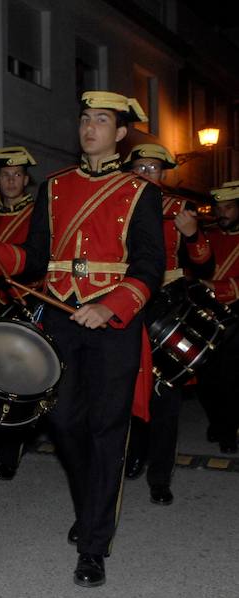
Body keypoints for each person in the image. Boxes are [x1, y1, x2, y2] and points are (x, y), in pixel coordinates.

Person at [0, 91, 164, 587]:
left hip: (112, 326)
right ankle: (89, 503)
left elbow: (150, 266)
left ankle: (95, 542)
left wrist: (112, 306)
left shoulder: (141, 192)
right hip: (60, 318)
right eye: (84, 119)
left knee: (106, 430)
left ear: (121, 134)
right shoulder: (55, 188)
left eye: (101, 120)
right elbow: (35, 258)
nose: (89, 127)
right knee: (61, 422)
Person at [121, 144, 213, 504]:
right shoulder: (117, 205)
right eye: (140, 167)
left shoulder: (180, 208)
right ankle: (135, 454)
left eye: (153, 168)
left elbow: (205, 264)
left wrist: (191, 234)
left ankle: (160, 476)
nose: (146, 174)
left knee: (165, 396)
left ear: (163, 174)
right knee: (127, 387)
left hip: (167, 307)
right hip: (128, 302)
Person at [0, 146, 41, 481]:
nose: (11, 180)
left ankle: (10, 451)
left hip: (26, 303)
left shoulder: (40, 214)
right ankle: (6, 435)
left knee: (20, 379)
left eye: (17, 175)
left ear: (26, 179)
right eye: (5, 175)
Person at [197, 180, 239, 454]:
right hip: (206, 311)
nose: (220, 212)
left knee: (231, 376)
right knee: (205, 376)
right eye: (218, 207)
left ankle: (228, 430)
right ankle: (217, 421)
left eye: (228, 207)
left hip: (236, 312)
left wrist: (218, 287)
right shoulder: (208, 235)